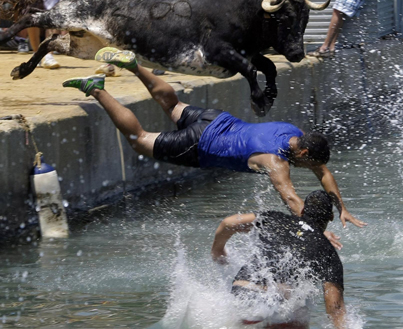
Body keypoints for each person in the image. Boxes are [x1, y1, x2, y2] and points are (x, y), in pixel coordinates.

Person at [62, 46, 366, 246]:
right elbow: (291, 199)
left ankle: (134, 65)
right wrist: (317, 230)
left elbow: (322, 170)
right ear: (302, 153)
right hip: (200, 143)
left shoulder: (294, 132)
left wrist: (342, 208)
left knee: (171, 103)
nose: (309, 167)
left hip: (216, 119)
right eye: (307, 163)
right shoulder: (276, 163)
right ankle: (97, 90)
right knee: (140, 140)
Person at [211, 190, 346, 328]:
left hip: (242, 294)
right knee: (301, 311)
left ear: (303, 210)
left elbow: (228, 223)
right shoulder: (328, 252)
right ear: (331, 217)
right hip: (271, 305)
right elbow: (335, 309)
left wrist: (218, 251)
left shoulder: (276, 218)